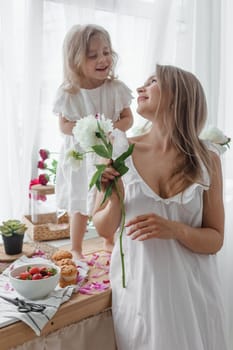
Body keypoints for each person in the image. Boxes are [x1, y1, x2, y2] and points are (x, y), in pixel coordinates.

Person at [92, 64, 228, 349]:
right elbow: (105, 229)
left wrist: (175, 229)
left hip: (195, 296)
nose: (140, 88)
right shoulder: (119, 150)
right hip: (142, 300)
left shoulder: (208, 160)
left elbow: (215, 239)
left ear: (179, 97)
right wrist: (114, 195)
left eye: (153, 81)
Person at [53, 24, 133, 259]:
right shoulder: (70, 93)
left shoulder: (115, 88)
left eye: (106, 52)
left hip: (109, 152)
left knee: (109, 196)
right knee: (79, 201)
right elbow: (64, 125)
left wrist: (108, 130)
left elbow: (128, 118)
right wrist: (88, 132)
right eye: (93, 55)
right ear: (76, 60)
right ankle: (76, 248)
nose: (102, 59)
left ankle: (109, 238)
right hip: (81, 154)